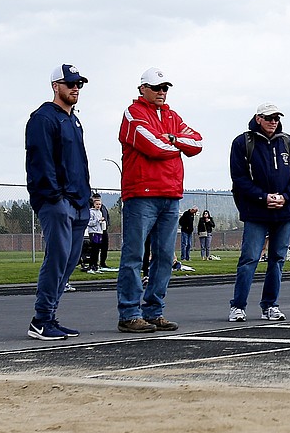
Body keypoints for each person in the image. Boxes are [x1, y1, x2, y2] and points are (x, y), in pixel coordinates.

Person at [116, 67, 203, 333]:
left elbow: (198, 142)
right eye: (156, 88)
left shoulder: (172, 116)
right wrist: (178, 145)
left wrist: (174, 138)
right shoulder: (133, 114)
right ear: (143, 88)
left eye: (165, 88)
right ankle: (129, 313)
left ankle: (154, 311)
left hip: (170, 195)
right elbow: (153, 147)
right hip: (141, 195)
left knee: (165, 256)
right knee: (134, 254)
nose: (162, 92)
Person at [24, 64, 92, 340]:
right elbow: (40, 161)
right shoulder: (43, 118)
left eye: (79, 84)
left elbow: (79, 163)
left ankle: (49, 316)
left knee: (69, 261)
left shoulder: (74, 120)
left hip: (78, 201)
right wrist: (54, 196)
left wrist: (84, 197)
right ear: (56, 86)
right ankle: (41, 319)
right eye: (70, 83)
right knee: (57, 258)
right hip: (57, 201)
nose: (75, 88)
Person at [227, 103, 290, 323]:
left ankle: (270, 305)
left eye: (276, 118)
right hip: (256, 212)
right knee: (250, 258)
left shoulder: (289, 143)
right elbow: (239, 178)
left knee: (278, 259)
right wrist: (264, 197)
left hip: (284, 211)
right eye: (269, 118)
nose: (273, 121)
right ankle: (238, 306)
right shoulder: (243, 142)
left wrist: (284, 197)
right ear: (258, 118)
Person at [81, 193, 107, 272]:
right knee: (94, 248)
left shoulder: (100, 212)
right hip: (93, 232)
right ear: (94, 204)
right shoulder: (91, 212)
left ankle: (96, 264)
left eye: (99, 204)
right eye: (97, 204)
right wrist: (97, 221)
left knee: (98, 249)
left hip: (99, 232)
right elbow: (89, 223)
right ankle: (91, 265)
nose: (98, 206)